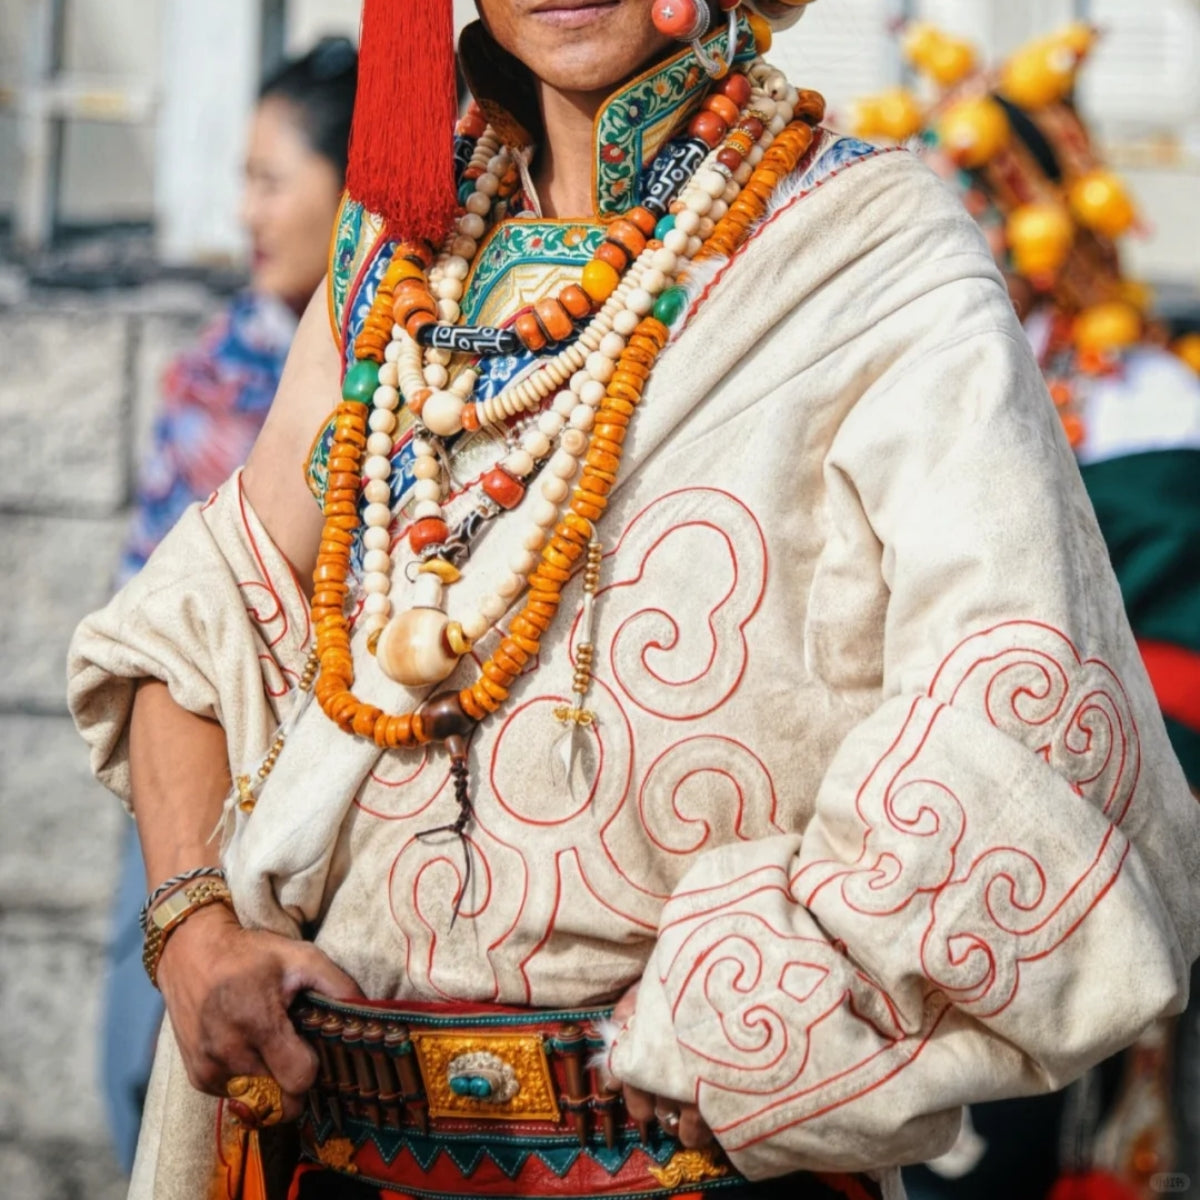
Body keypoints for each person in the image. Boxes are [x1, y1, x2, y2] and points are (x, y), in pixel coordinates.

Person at [68, 2, 1200, 1199]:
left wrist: (764, 1015)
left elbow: (1020, 704)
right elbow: (198, 622)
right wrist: (195, 928)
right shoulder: (398, 257)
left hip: (696, 1165)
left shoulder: (873, 248)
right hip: (344, 1147)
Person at [854, 23, 1200, 1199]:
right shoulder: (885, 377)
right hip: (901, 832)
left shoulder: (1143, 405)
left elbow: (1168, 674)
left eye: (985, 204)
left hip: (1076, 828)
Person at [100, 36, 358, 1172]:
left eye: (272, 179)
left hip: (326, 803)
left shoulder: (403, 363)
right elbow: (159, 601)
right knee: (143, 1065)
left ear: (355, 188)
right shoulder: (221, 367)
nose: (246, 210)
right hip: (185, 766)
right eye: (243, 177)